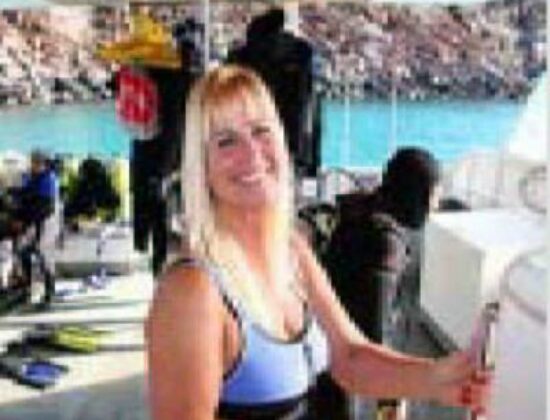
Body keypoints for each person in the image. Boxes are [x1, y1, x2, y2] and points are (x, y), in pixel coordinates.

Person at [146, 65, 489, 419]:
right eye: (226, 141)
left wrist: (440, 377)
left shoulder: (290, 252)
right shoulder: (192, 292)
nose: (252, 153)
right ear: (201, 166)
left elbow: (349, 357)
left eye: (261, 131)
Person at [322, 147, 443, 418]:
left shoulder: (361, 211)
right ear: (417, 193)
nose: (435, 205)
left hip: (327, 347)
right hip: (343, 363)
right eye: (434, 195)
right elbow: (376, 330)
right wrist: (394, 393)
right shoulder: (384, 244)